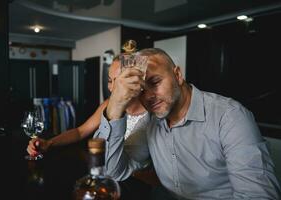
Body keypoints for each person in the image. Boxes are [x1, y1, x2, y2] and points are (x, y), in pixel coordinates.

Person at [94, 48, 281, 199]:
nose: (149, 96)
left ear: (178, 75)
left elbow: (258, 195)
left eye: (155, 82)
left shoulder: (229, 116)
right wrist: (116, 106)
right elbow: (114, 172)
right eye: (141, 90)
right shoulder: (151, 121)